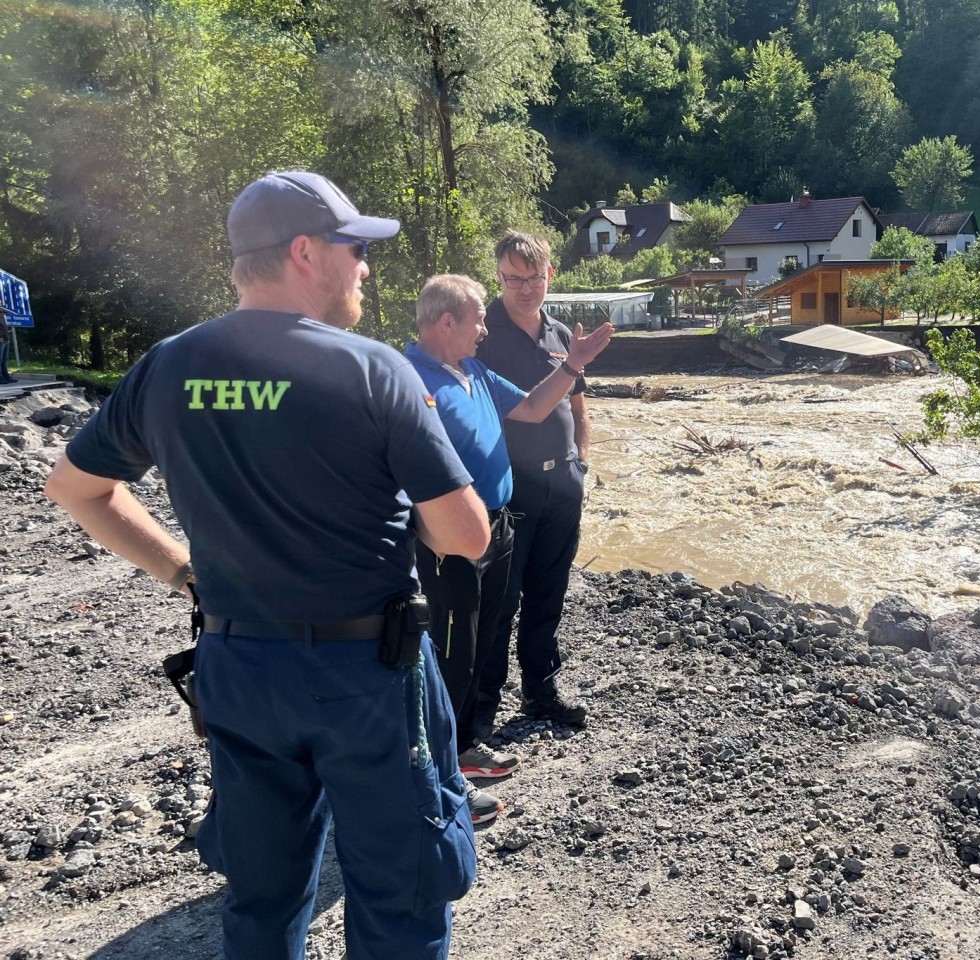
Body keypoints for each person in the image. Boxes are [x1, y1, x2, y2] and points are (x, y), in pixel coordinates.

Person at [44, 171, 493, 960]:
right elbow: (465, 536)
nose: (364, 268)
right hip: (370, 672)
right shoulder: (371, 368)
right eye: (354, 249)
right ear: (303, 253)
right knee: (401, 893)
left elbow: (77, 489)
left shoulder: (168, 367)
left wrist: (186, 573)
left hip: (239, 667)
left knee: (261, 895)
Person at [404, 274, 612, 781]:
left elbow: (537, 407)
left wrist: (572, 365)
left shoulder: (473, 370)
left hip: (498, 525)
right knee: (454, 647)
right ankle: (441, 765)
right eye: (478, 317)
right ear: (446, 321)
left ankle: (468, 744)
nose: (484, 327)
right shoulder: (407, 377)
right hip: (447, 539)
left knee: (485, 635)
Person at [474, 231, 592, 734]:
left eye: (534, 277)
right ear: (498, 277)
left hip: (562, 485)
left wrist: (581, 464)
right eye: (513, 278)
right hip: (509, 489)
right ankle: (480, 708)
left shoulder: (563, 334)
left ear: (550, 275)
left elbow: (580, 408)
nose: (525, 288)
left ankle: (541, 692)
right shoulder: (482, 336)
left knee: (550, 592)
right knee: (499, 600)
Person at [0, 307, 15, 383]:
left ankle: (6, 376)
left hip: (6, 338)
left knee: (4, 360)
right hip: (1, 339)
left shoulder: (2, 312)